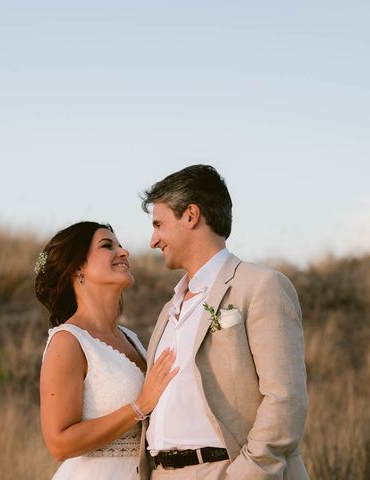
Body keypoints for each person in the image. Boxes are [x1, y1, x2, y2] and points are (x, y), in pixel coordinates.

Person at [137, 165, 309, 480]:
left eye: (159, 224)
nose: (153, 240)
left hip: (224, 471)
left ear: (190, 216)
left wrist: (246, 474)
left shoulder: (261, 285)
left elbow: (286, 399)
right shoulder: (167, 310)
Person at [36, 221, 178, 480]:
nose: (124, 252)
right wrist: (140, 406)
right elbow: (59, 444)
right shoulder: (68, 341)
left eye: (121, 246)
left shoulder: (131, 338)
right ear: (77, 266)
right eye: (107, 245)